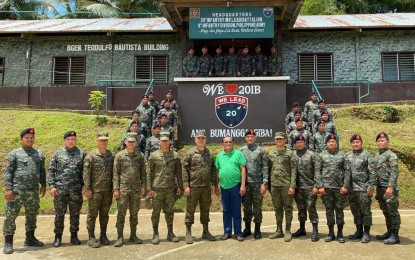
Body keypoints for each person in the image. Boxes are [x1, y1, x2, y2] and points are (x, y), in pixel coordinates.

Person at [2, 128, 46, 254]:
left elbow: (42, 171)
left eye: (32, 137)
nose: (29, 139)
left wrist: (43, 185)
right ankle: (8, 242)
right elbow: (7, 172)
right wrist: (8, 189)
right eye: (27, 138)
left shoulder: (38, 154)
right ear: (21, 139)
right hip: (17, 191)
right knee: (10, 216)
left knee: (32, 216)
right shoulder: (14, 154)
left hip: (32, 191)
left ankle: (30, 239)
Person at [48, 131, 85, 247]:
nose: (71, 141)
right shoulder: (58, 154)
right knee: (59, 214)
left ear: (76, 140)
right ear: (65, 141)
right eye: (68, 139)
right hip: (61, 190)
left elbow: (86, 172)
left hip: (76, 190)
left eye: (73, 139)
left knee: (75, 214)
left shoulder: (82, 153)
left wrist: (85, 185)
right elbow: (51, 170)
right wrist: (52, 186)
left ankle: (74, 236)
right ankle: (58, 237)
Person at [182, 130, 218, 244]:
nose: (201, 140)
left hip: (206, 187)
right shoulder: (190, 153)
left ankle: (206, 231)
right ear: (195, 139)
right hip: (193, 187)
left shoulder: (210, 153)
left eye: (203, 138)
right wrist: (186, 186)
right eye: (199, 138)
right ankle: (188, 232)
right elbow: (184, 170)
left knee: (205, 209)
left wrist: (214, 184)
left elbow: (213, 170)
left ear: (205, 139)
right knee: (190, 210)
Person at [147, 134, 183, 245]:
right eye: (162, 141)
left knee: (169, 211)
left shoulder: (175, 155)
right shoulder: (153, 156)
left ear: (169, 142)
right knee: (156, 212)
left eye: (166, 141)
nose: (164, 143)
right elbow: (149, 173)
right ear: (159, 142)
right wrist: (149, 188)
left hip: (170, 188)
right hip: (157, 188)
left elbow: (178, 173)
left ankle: (170, 233)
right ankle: (155, 234)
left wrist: (180, 186)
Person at [113, 132, 146, 247]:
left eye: (133, 142)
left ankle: (133, 235)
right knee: (121, 214)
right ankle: (120, 237)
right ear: (125, 142)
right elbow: (115, 173)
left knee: (134, 213)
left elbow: (143, 173)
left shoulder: (140, 156)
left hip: (136, 189)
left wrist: (143, 186)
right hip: (123, 189)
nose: (131, 144)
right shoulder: (120, 156)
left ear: (136, 143)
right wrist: (116, 189)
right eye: (129, 142)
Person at [315, 133, 349, 243]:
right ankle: (331, 233)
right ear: (326, 143)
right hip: (326, 188)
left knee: (339, 210)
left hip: (339, 188)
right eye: (329, 141)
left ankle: (340, 233)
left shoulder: (342, 155)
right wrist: (320, 185)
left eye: (333, 141)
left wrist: (345, 185)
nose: (331, 143)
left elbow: (347, 171)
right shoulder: (321, 155)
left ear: (336, 143)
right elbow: (317, 171)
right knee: (329, 210)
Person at [83, 133, 114, 248]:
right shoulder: (91, 156)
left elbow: (115, 173)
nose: (103, 142)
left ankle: (103, 235)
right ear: (97, 141)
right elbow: (86, 174)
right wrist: (87, 189)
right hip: (95, 191)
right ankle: (91, 237)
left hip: (107, 191)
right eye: (101, 140)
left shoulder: (111, 155)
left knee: (105, 214)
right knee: (92, 214)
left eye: (105, 140)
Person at [344, 134, 376, 243]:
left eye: (357, 142)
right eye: (353, 142)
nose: (355, 144)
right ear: (351, 144)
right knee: (355, 211)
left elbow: (372, 172)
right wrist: (345, 186)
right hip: (352, 189)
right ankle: (359, 231)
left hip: (363, 189)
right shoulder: (347, 155)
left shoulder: (367, 155)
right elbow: (346, 172)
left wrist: (371, 187)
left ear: (361, 143)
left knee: (365, 211)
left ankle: (366, 233)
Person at [215, 136, 246, 242]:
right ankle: (227, 232)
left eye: (230, 142)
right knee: (226, 210)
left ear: (233, 143)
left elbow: (243, 170)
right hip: (223, 186)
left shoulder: (239, 154)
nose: (228, 143)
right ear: (222, 143)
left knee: (236, 210)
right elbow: (217, 171)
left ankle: (238, 233)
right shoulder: (219, 156)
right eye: (226, 142)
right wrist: (216, 185)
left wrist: (242, 185)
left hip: (235, 186)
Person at [372, 132, 401, 245]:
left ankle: (395, 235)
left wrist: (391, 186)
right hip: (380, 188)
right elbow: (374, 172)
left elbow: (394, 173)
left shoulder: (391, 155)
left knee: (393, 212)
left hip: (389, 188)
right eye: (378, 141)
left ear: (388, 142)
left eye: (382, 140)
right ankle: (389, 231)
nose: (380, 142)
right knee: (386, 211)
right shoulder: (377, 155)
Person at [267, 132, 296, 242]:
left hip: (286, 185)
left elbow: (293, 170)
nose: (278, 141)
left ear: (285, 140)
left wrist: (292, 186)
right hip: (274, 185)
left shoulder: (290, 153)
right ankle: (279, 230)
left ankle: (287, 230)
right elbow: (269, 169)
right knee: (277, 208)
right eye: (277, 139)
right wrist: (269, 185)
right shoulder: (271, 153)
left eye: (281, 139)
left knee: (288, 208)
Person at [240, 130, 268, 239]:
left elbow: (265, 167)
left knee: (257, 207)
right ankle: (247, 228)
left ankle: (257, 229)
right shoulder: (241, 151)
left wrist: (264, 183)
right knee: (246, 207)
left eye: (252, 136)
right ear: (245, 138)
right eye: (248, 137)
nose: (250, 138)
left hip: (257, 183)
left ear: (255, 138)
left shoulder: (261, 151)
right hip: (245, 184)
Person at [292, 135, 320, 242]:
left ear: (305, 143)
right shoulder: (293, 155)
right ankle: (302, 229)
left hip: (309, 187)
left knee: (311, 208)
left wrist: (316, 186)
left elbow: (317, 171)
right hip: (298, 188)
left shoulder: (311, 155)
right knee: (301, 208)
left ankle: (315, 230)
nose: (299, 144)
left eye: (301, 142)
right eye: (297, 143)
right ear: (295, 144)